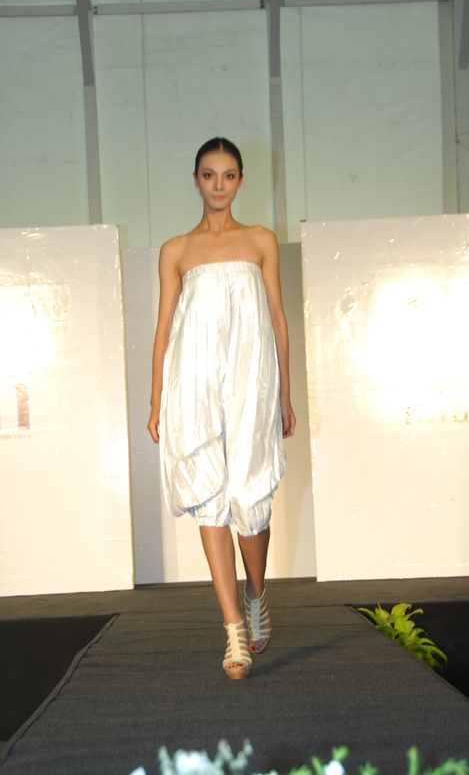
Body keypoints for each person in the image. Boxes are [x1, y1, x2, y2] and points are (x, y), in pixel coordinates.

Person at [147, 137, 296, 679]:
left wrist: (285, 392)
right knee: (209, 495)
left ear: (240, 181)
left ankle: (256, 592)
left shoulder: (260, 241)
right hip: (193, 381)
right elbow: (164, 327)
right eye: (209, 175)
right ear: (196, 179)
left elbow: (277, 318)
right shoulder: (176, 250)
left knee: (251, 500)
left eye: (228, 175)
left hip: (252, 377)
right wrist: (157, 397)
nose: (218, 185)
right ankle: (233, 630)